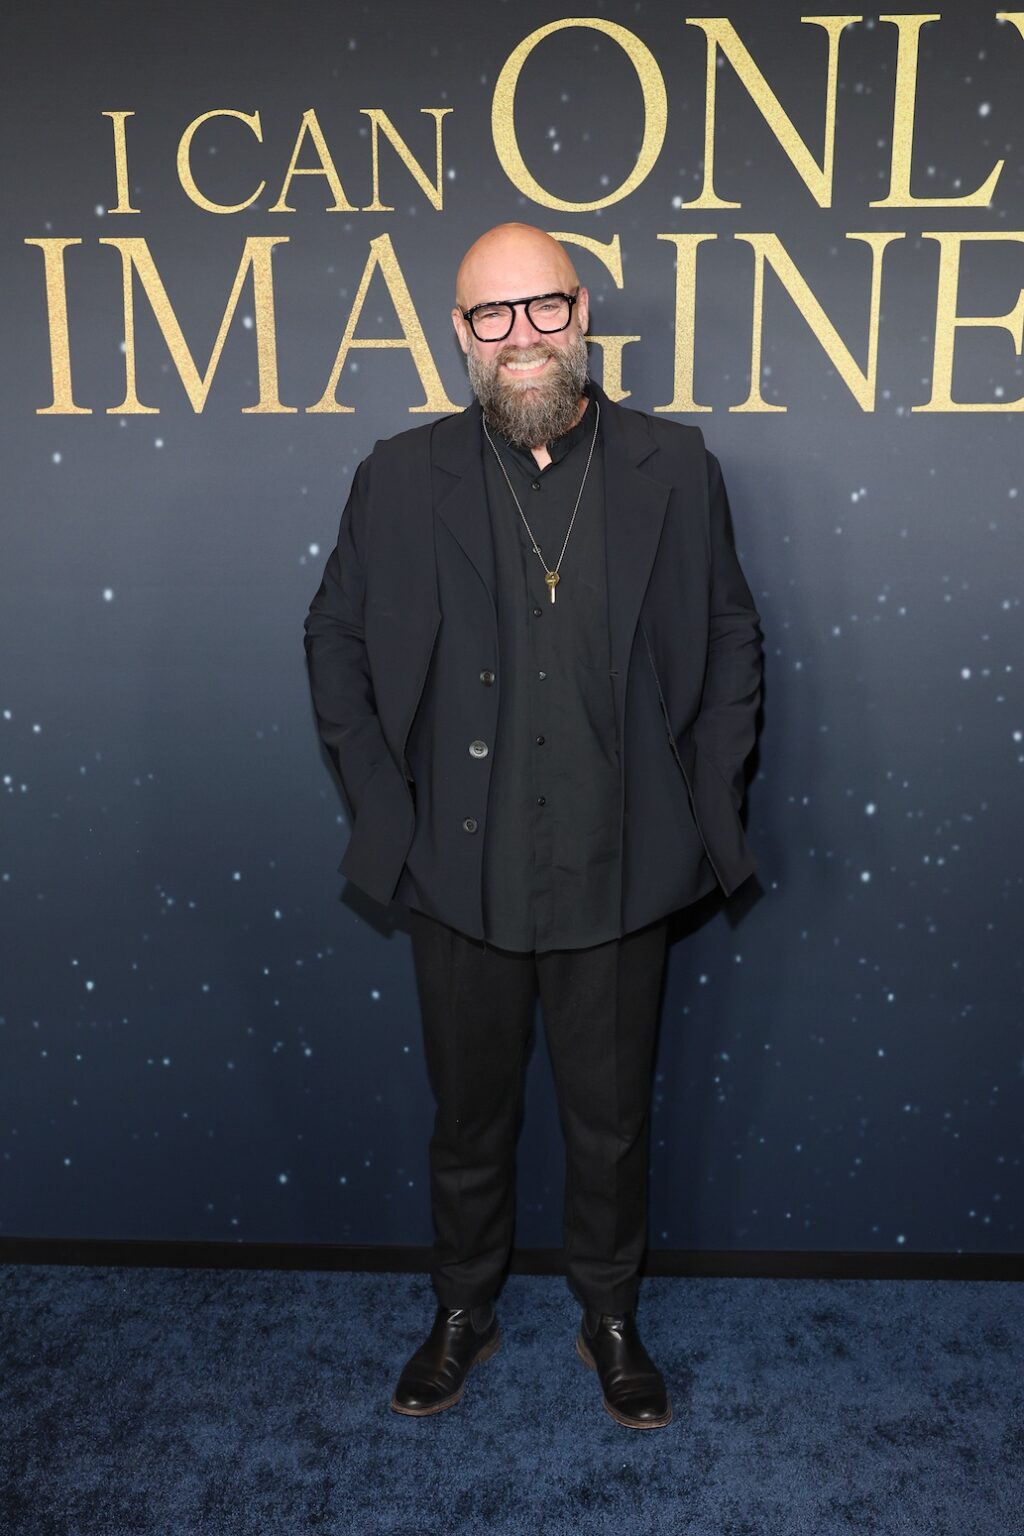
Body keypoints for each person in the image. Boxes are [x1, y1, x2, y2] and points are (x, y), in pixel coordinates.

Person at [304, 223, 763, 1430]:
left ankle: (608, 1314)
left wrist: (702, 800)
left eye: (541, 308)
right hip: (457, 868)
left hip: (625, 865)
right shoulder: (398, 476)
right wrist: (386, 817)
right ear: (458, 334)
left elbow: (729, 641)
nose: (520, 336)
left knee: (611, 1123)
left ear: (583, 309)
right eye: (489, 316)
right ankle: (465, 1309)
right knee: (468, 1115)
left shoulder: (677, 464)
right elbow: (334, 642)